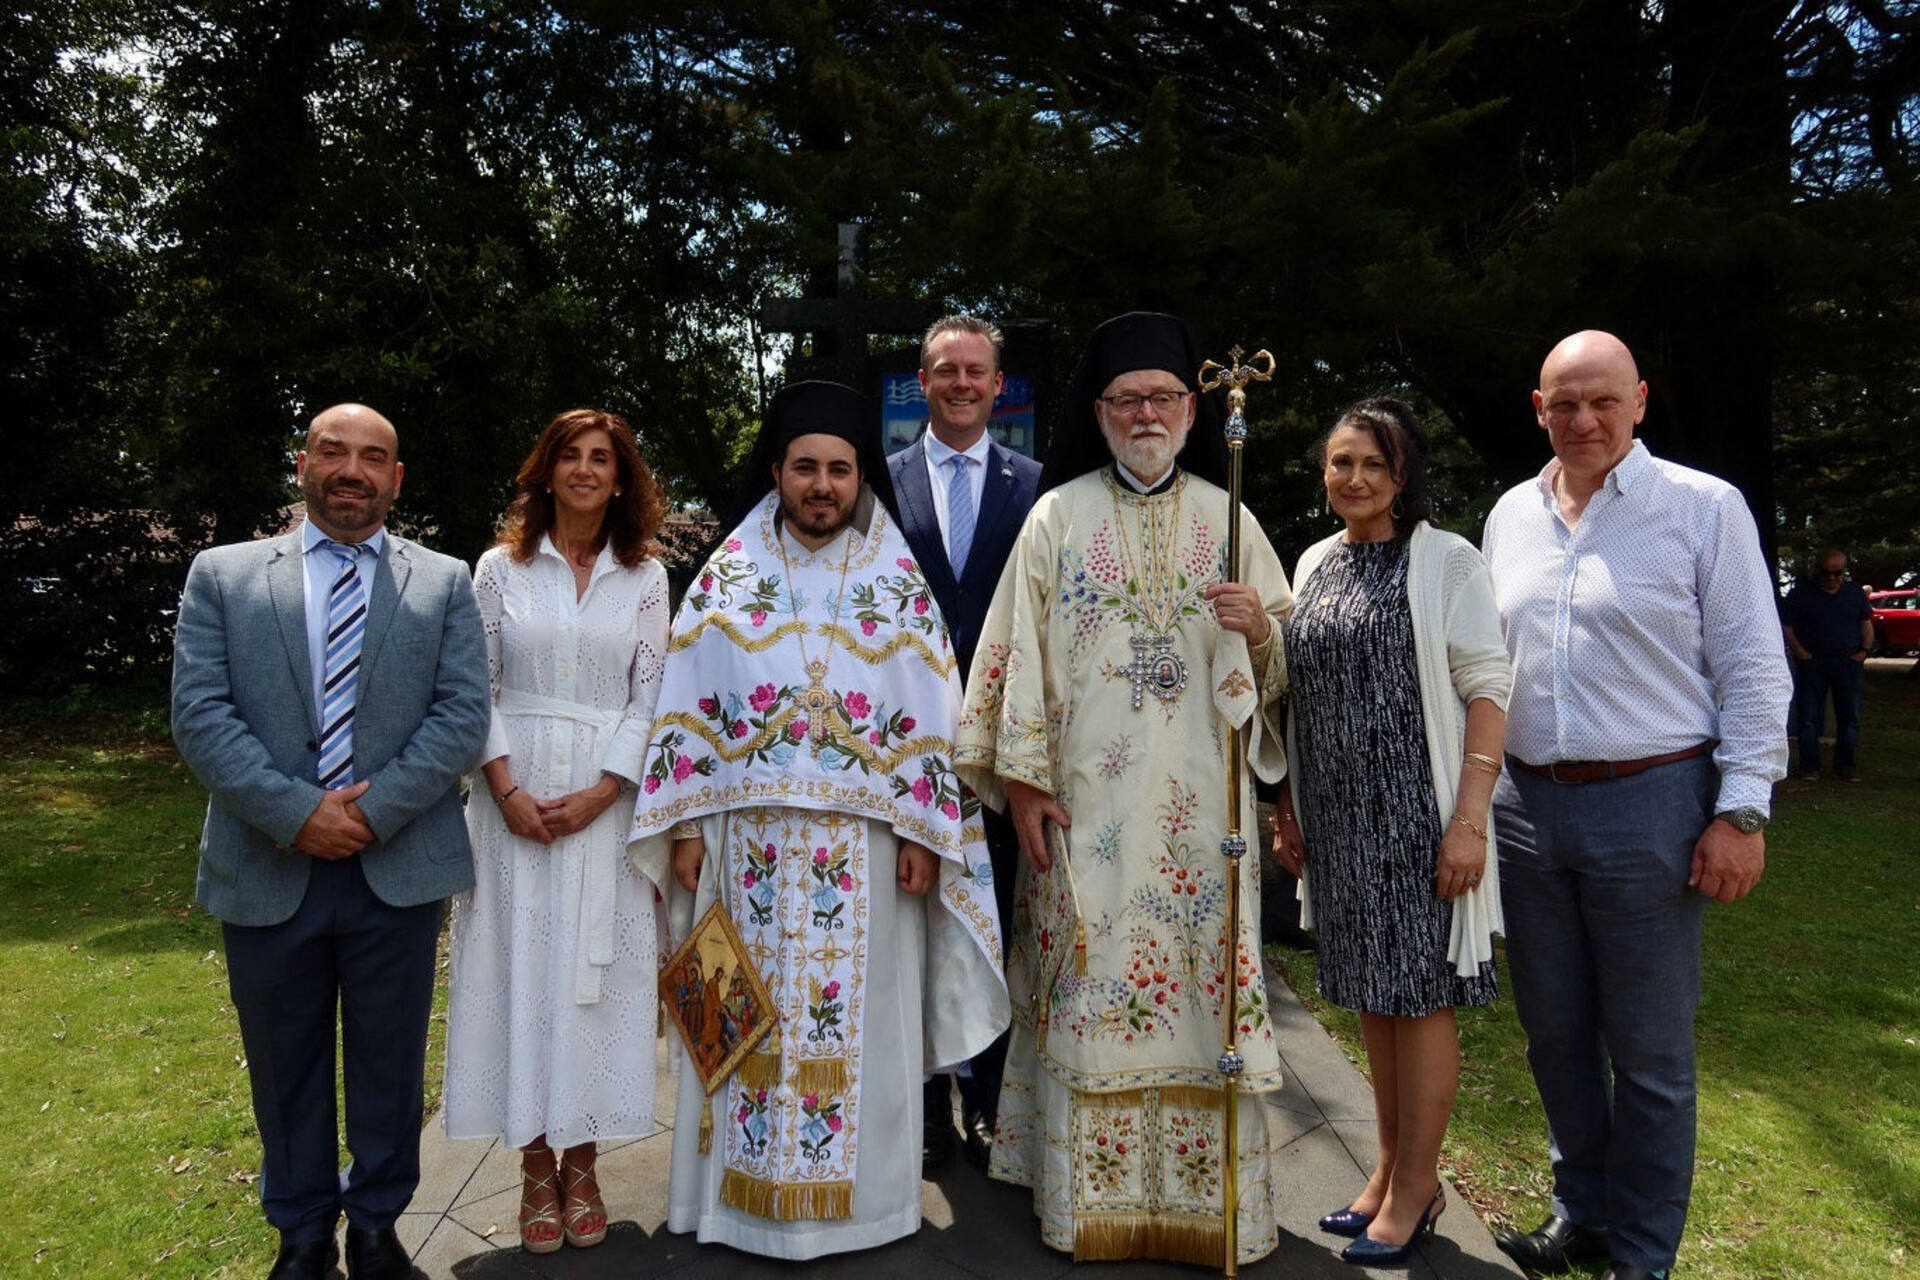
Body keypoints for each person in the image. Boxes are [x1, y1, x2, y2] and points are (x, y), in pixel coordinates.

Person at [627, 380, 1008, 1260]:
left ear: (859, 477)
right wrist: (683, 828)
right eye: (806, 468)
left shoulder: (895, 583)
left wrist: (923, 834)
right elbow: (688, 705)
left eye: (839, 469)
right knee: (735, 1014)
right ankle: (730, 1206)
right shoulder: (726, 577)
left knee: (860, 1025)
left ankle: (868, 1208)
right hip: (744, 845)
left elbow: (928, 719)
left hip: (864, 853)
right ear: (777, 473)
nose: (823, 486)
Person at [955, 311, 1293, 1267]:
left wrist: (1261, 632)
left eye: (1163, 398)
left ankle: (1201, 1208)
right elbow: (1012, 658)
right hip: (1086, 812)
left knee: (1199, 996)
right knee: (1090, 986)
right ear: (1100, 411)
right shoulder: (1057, 517)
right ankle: (1086, 1206)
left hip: (1203, 817)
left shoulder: (1232, 519)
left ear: (1191, 409)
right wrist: (1023, 787)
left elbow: (1280, 677)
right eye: (1127, 399)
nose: (1147, 414)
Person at [1482, 332, 1792, 1280]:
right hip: (1526, 809)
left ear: (1641, 401)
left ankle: (1644, 1256)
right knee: (1555, 1035)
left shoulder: (1703, 508)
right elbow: (1488, 665)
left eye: (1603, 401)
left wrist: (1741, 812)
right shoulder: (1511, 515)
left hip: (1653, 804)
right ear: (1539, 408)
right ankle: (1584, 1213)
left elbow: (1753, 667)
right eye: (1564, 403)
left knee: (1650, 1052)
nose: (1584, 420)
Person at [171, 404, 489, 1280]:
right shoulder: (224, 576)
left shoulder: (443, 581)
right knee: (284, 1064)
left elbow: (462, 714)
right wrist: (296, 813)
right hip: (265, 863)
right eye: (333, 452)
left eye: (373, 457)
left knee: (389, 1062)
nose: (352, 470)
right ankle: (303, 1234)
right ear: (303, 464)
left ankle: (378, 1228)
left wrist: (370, 814)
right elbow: (199, 715)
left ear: (396, 478)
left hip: (398, 866)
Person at [1272, 398, 1511, 1266]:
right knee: (1373, 1000)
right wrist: (1288, 806)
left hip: (1418, 818)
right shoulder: (1315, 563)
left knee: (1419, 998)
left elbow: (1488, 688)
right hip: (1339, 821)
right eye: (1341, 462)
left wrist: (1468, 822)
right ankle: (1385, 1168)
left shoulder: (1446, 561)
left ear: (1403, 474)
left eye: (1374, 463)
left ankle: (1418, 1187)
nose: (1356, 478)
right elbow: (1293, 694)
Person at [441, 409, 671, 1254]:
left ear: (621, 478)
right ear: (546, 471)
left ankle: (585, 1161)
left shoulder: (645, 577)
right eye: (569, 456)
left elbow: (651, 695)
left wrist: (607, 789)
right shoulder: (499, 569)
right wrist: (503, 788)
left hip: (604, 804)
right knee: (521, 971)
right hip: (512, 798)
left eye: (600, 458)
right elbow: (474, 686)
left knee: (592, 982)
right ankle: (536, 1164)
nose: (583, 469)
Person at [886, 314, 1042, 1170]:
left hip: (997, 743)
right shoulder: (883, 480)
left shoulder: (1037, 488)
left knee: (994, 915)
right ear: (923, 382)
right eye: (945, 370)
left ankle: (987, 1100)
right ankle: (918, 1106)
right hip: (903, 740)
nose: (961, 384)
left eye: (975, 371)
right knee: (910, 917)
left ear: (997, 385)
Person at [1782, 548, 1873, 780]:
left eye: (1837, 573)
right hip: (1813, 662)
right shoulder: (1801, 594)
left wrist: (1864, 651)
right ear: (1818, 571)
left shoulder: (1855, 594)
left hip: (1848, 661)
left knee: (1849, 716)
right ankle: (1810, 766)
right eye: (1826, 573)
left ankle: (1846, 765)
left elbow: (1866, 623)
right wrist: (1800, 652)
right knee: (1809, 717)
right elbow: (1786, 626)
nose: (1831, 578)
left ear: (1844, 572)